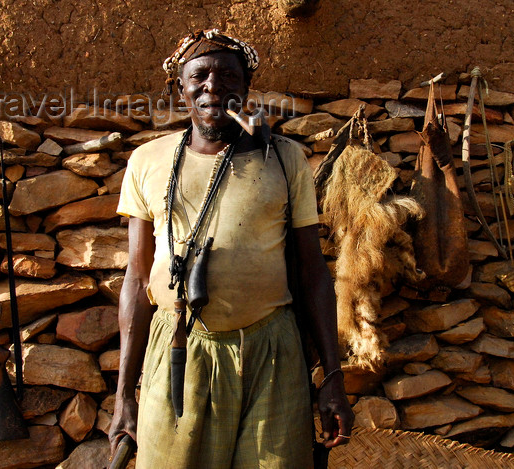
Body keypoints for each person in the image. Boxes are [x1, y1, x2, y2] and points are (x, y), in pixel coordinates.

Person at [109, 29, 353, 468]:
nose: (213, 87)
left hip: (271, 354)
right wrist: (125, 394)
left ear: (246, 87)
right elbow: (139, 278)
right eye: (198, 76)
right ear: (178, 88)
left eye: (228, 76)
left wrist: (332, 379)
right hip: (179, 348)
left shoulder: (284, 158)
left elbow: (313, 270)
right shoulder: (147, 161)